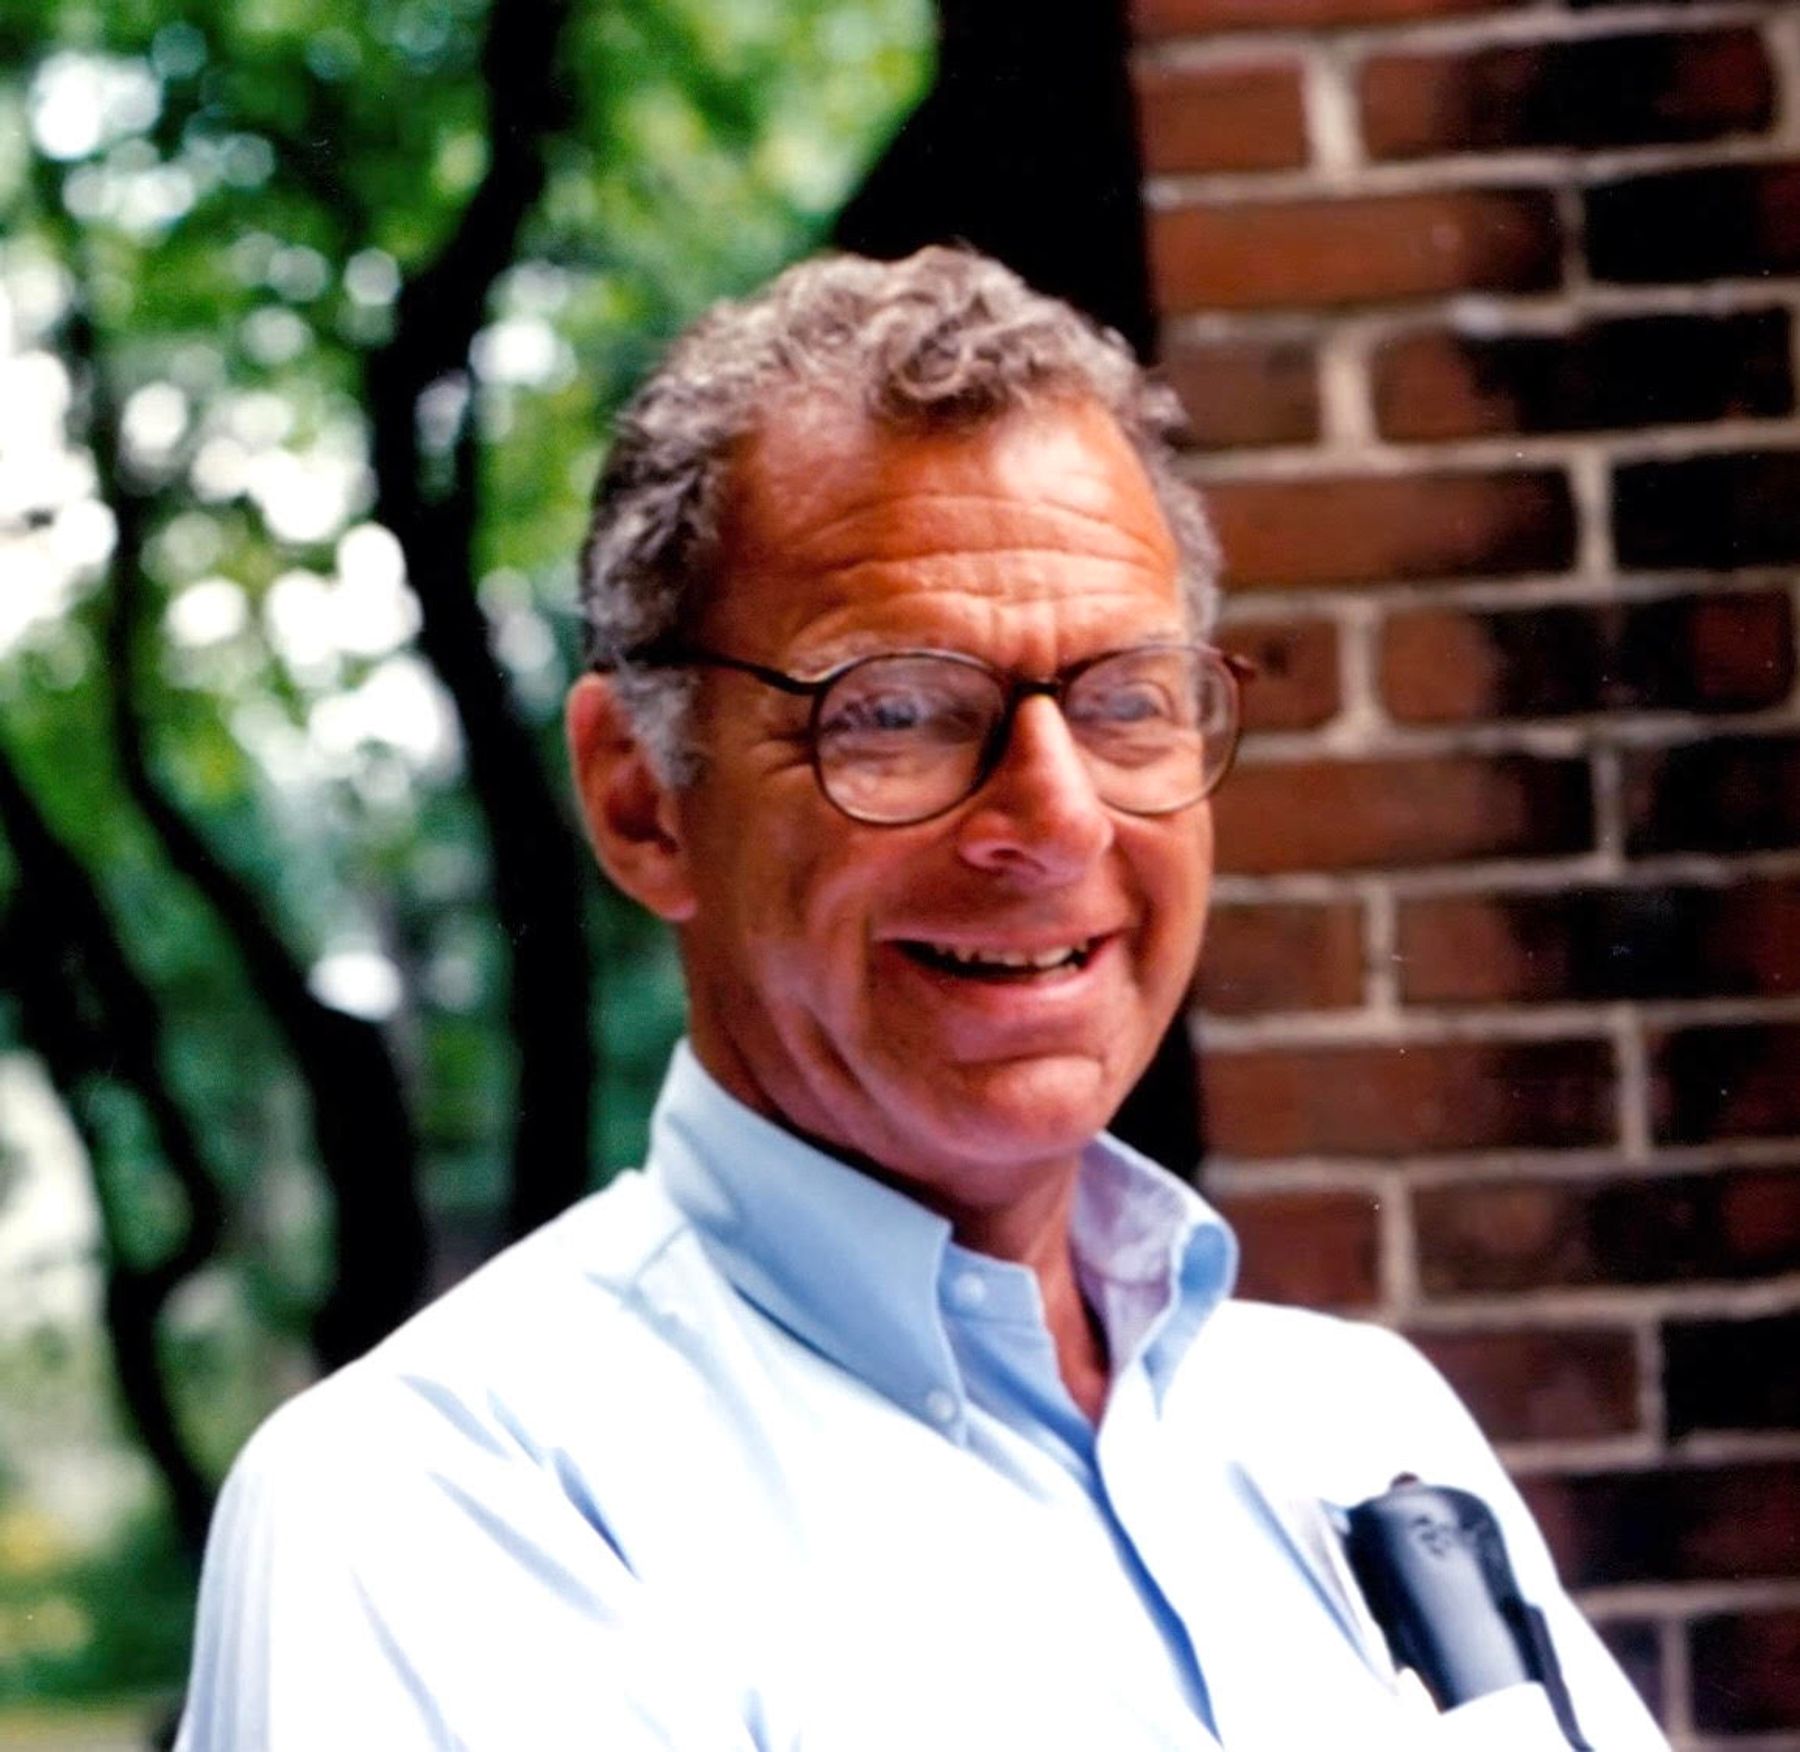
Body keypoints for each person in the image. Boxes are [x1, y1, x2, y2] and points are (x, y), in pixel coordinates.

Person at [175, 248, 1668, 1750]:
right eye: (893, 713)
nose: (1058, 818)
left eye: (1127, 701)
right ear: (642, 799)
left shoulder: (1360, 1434)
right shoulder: (448, 1511)